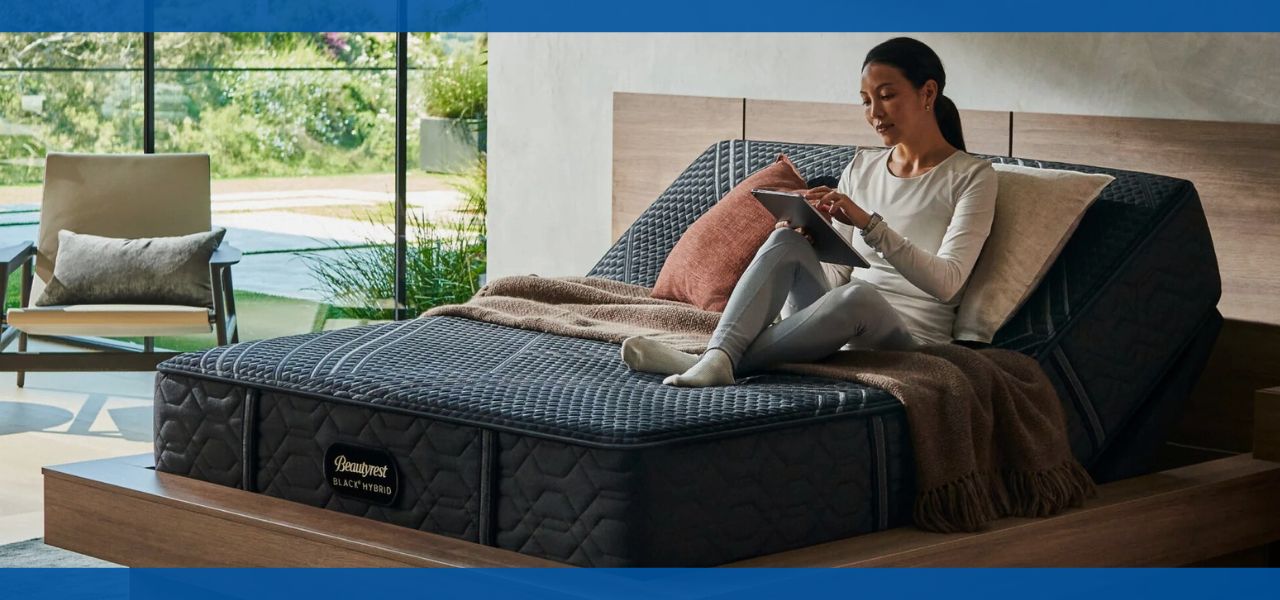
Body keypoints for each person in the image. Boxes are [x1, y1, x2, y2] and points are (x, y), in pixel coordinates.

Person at [622, 36, 998, 387]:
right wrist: (813, 242)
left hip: (907, 340)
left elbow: (949, 285)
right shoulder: (862, 167)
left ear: (927, 92)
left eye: (886, 96)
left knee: (860, 297)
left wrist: (869, 225)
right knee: (785, 239)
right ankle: (718, 355)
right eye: (866, 101)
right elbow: (837, 280)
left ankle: (703, 361)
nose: (874, 112)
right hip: (838, 324)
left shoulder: (972, 177)